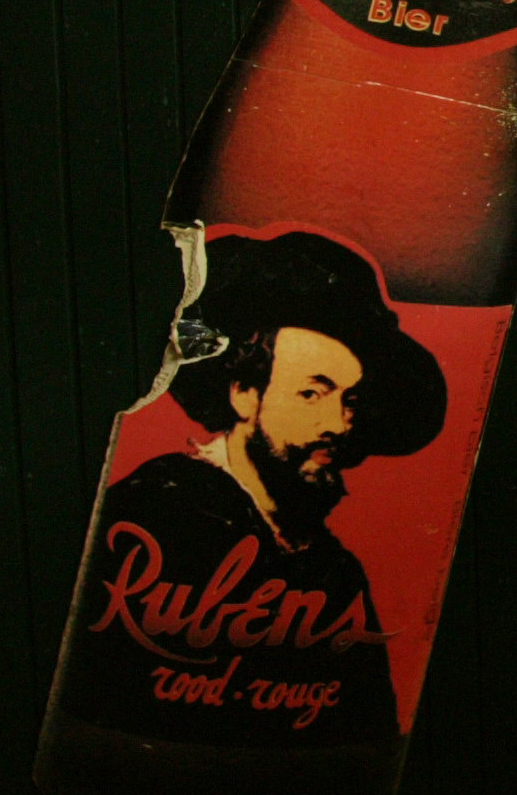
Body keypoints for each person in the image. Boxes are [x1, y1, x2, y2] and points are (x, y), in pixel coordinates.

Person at [53, 230, 449, 752]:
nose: (338, 424)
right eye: (312, 393)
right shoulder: (154, 512)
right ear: (243, 394)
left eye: (350, 401)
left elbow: (365, 739)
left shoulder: (335, 571)